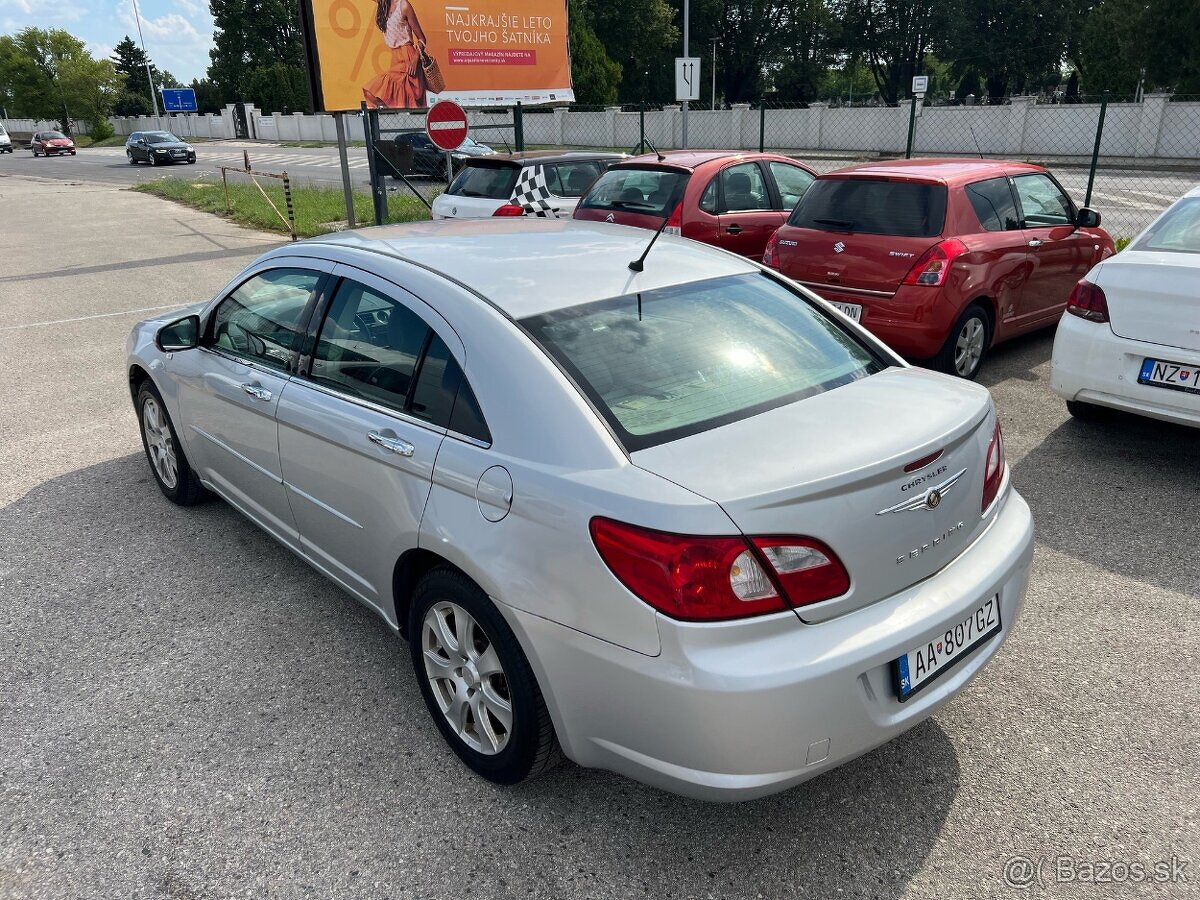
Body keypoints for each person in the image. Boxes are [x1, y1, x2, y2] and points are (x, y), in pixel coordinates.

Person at [363, 0, 428, 109]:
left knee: (406, 104)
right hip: (395, 59)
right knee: (398, 103)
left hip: (408, 57)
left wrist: (415, 58)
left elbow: (422, 39)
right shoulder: (383, 5)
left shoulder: (403, 5)